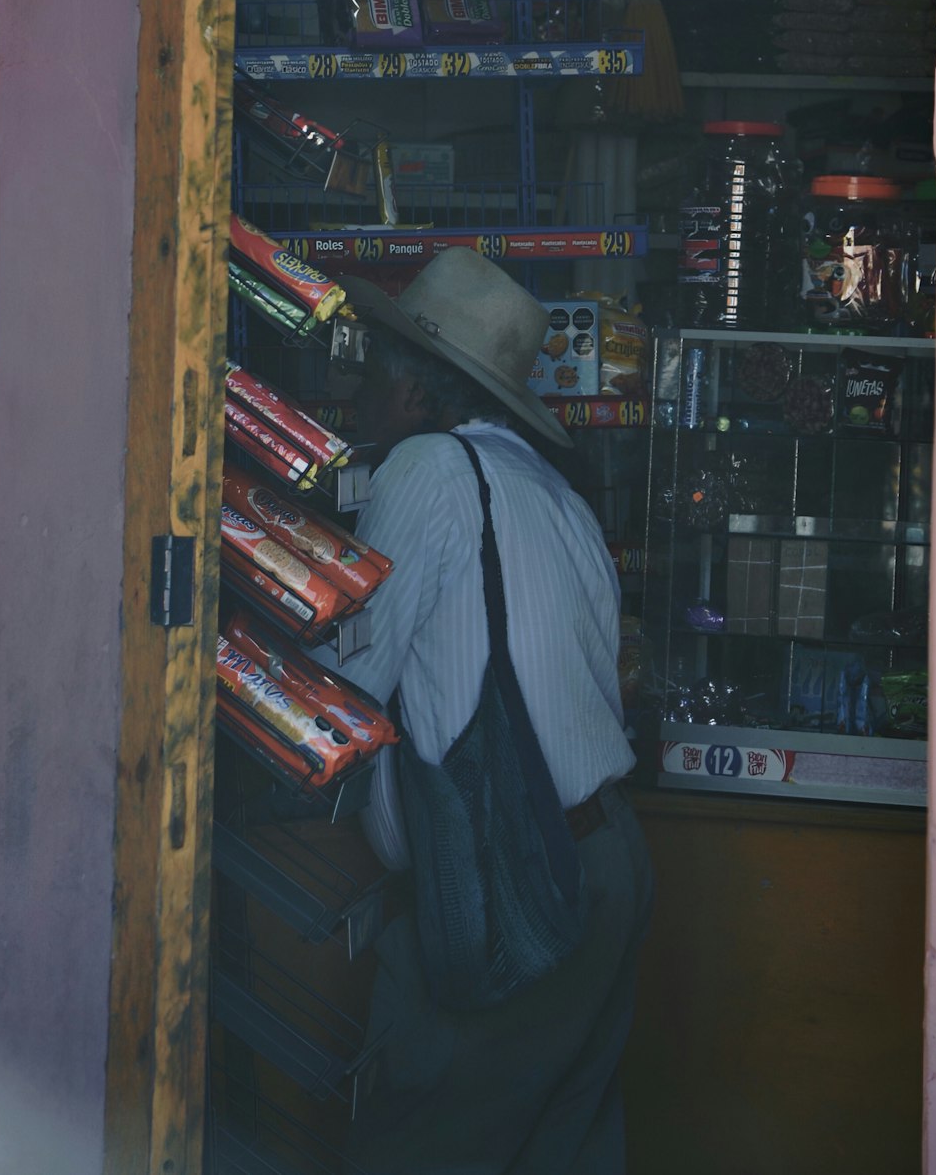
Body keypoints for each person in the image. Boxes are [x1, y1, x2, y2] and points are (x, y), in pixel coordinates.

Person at [328, 247, 653, 1175]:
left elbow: (346, 684)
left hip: (514, 880)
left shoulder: (426, 469)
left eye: (378, 371)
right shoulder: (556, 494)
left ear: (426, 394)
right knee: (561, 1146)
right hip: (605, 862)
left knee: (428, 1143)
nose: (358, 392)